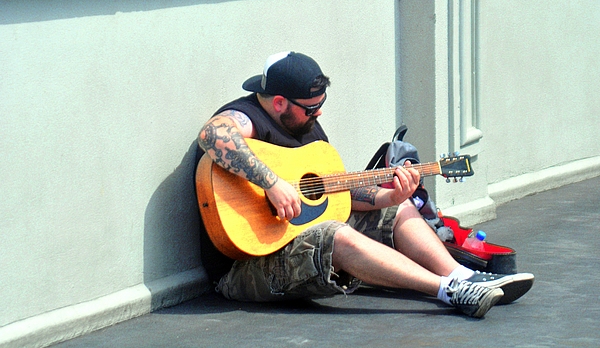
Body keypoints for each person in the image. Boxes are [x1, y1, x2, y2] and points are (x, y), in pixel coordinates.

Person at [196, 51, 534, 318]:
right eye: (312, 108)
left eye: (321, 106)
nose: (319, 115)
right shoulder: (246, 116)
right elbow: (213, 133)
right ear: (280, 102)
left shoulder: (307, 130)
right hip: (243, 268)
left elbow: (337, 193)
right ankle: (448, 290)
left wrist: (391, 194)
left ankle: (462, 275)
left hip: (294, 238)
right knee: (334, 234)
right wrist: (271, 183)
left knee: (398, 208)